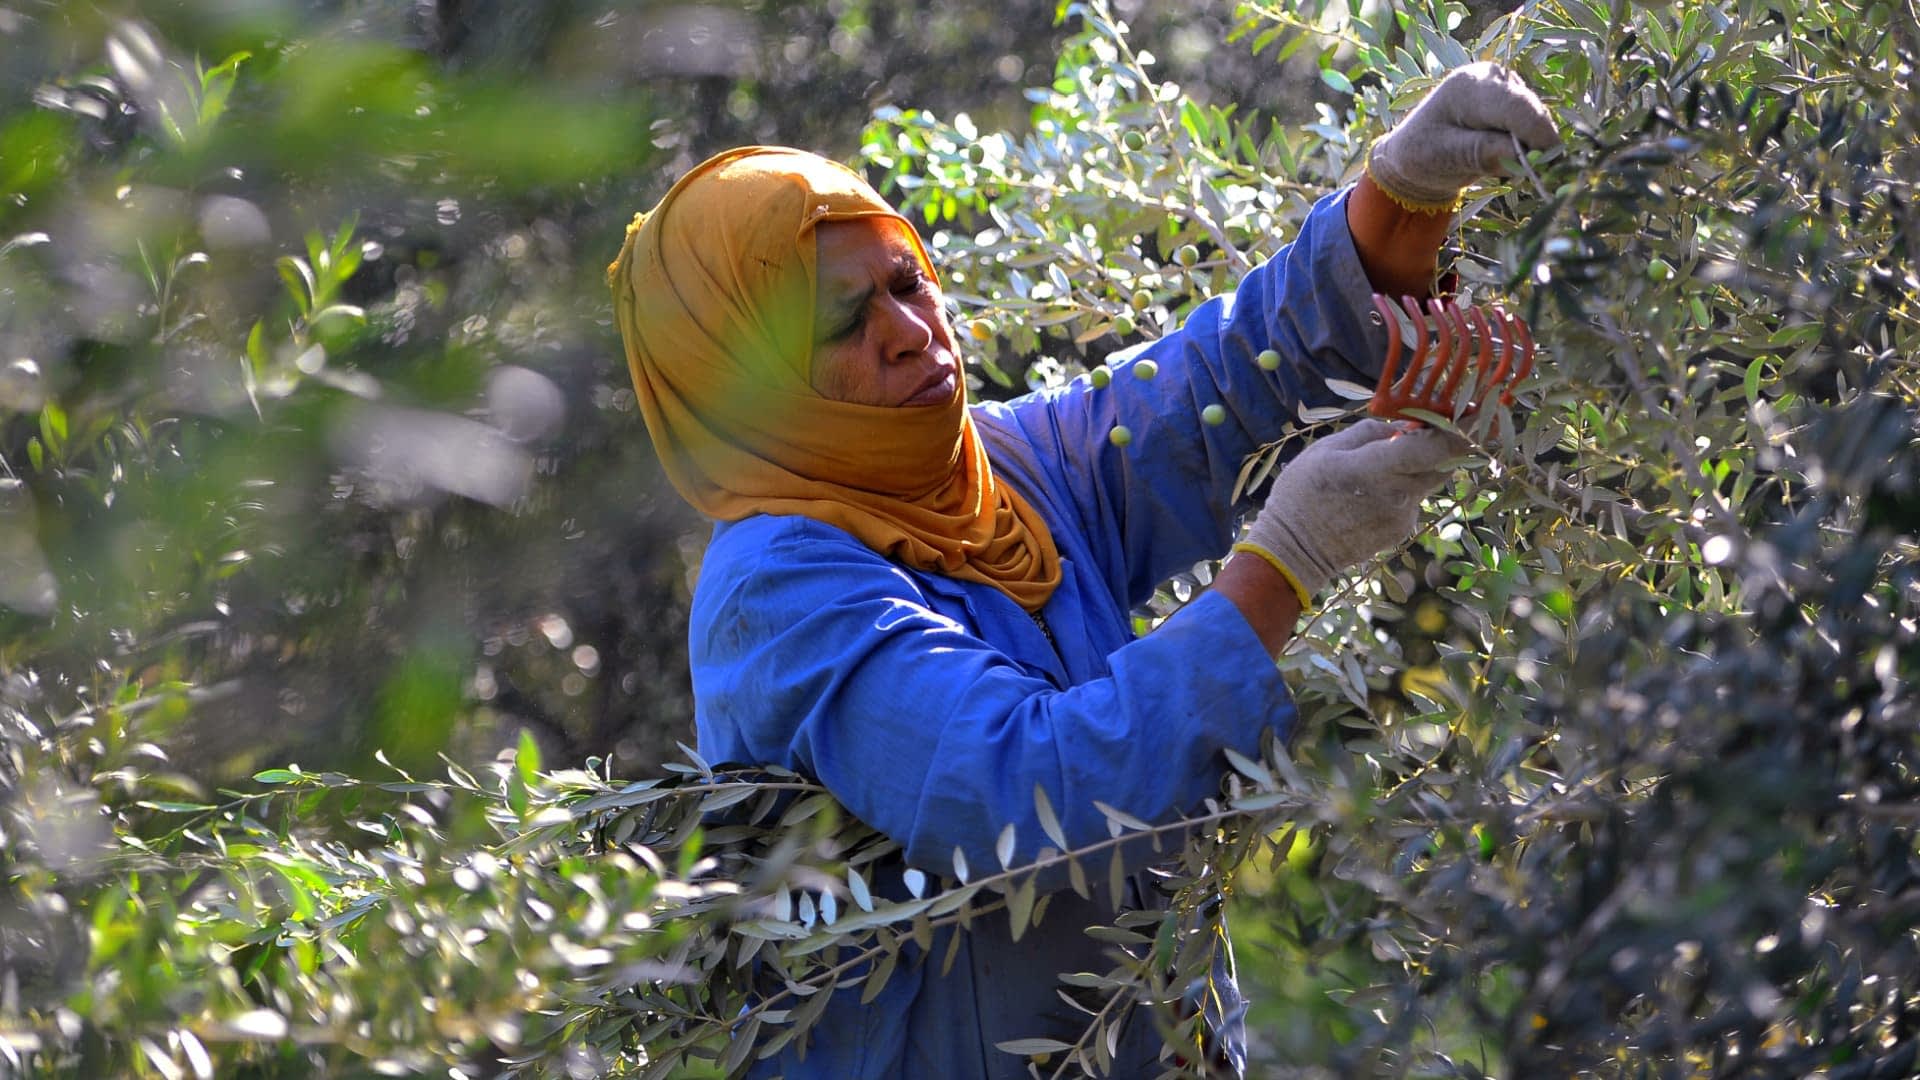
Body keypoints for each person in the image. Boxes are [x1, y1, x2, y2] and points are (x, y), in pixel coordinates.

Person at [607, 61, 1557, 1079]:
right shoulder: (777, 592)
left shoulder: (996, 468)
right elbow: (1031, 794)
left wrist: (1396, 203)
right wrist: (1285, 565)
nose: (909, 334)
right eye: (841, 323)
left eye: (907, 282)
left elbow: (1211, 388)